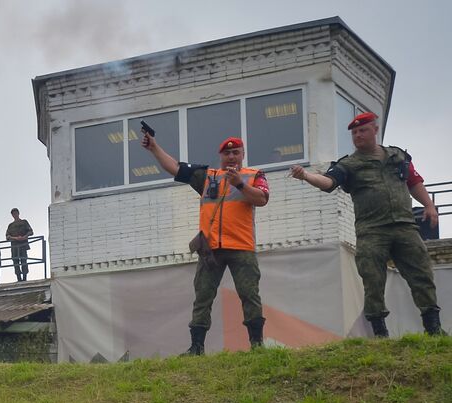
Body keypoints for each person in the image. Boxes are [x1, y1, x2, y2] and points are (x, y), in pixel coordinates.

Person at [290, 112, 442, 338]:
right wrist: (306, 176)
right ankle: (380, 334)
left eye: (362, 130)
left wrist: (429, 205)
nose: (358, 135)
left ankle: (434, 329)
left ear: (375, 130)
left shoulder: (397, 156)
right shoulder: (349, 164)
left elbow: (414, 181)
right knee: (373, 280)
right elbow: (328, 183)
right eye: (354, 132)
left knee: (422, 274)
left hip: (404, 226)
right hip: (372, 230)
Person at [141, 133, 269, 354]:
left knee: (249, 294)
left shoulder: (253, 175)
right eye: (226, 153)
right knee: (203, 296)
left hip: (242, 246)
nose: (231, 157)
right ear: (220, 156)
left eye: (235, 152)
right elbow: (175, 167)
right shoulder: (208, 177)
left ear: (242, 155)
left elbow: (262, 199)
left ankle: (257, 344)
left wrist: (240, 184)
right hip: (211, 249)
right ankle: (196, 347)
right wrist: (154, 148)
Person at [6, 208, 33, 282]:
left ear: (18, 213)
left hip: (23, 245)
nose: (15, 215)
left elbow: (30, 231)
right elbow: (7, 236)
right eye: (13, 214)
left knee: (24, 261)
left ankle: (24, 278)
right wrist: (15, 238)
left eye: (16, 213)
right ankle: (19, 278)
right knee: (16, 262)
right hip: (14, 246)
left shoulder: (24, 222)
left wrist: (24, 237)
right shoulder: (10, 225)